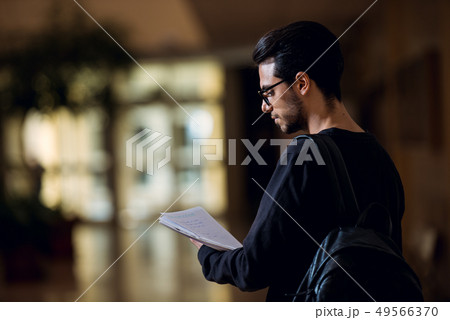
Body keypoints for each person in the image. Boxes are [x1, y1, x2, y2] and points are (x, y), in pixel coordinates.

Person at [190, 21, 405, 302]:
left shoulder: (304, 156)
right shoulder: (381, 156)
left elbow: (251, 269)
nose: (265, 106)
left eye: (269, 92)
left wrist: (206, 251)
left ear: (302, 83)